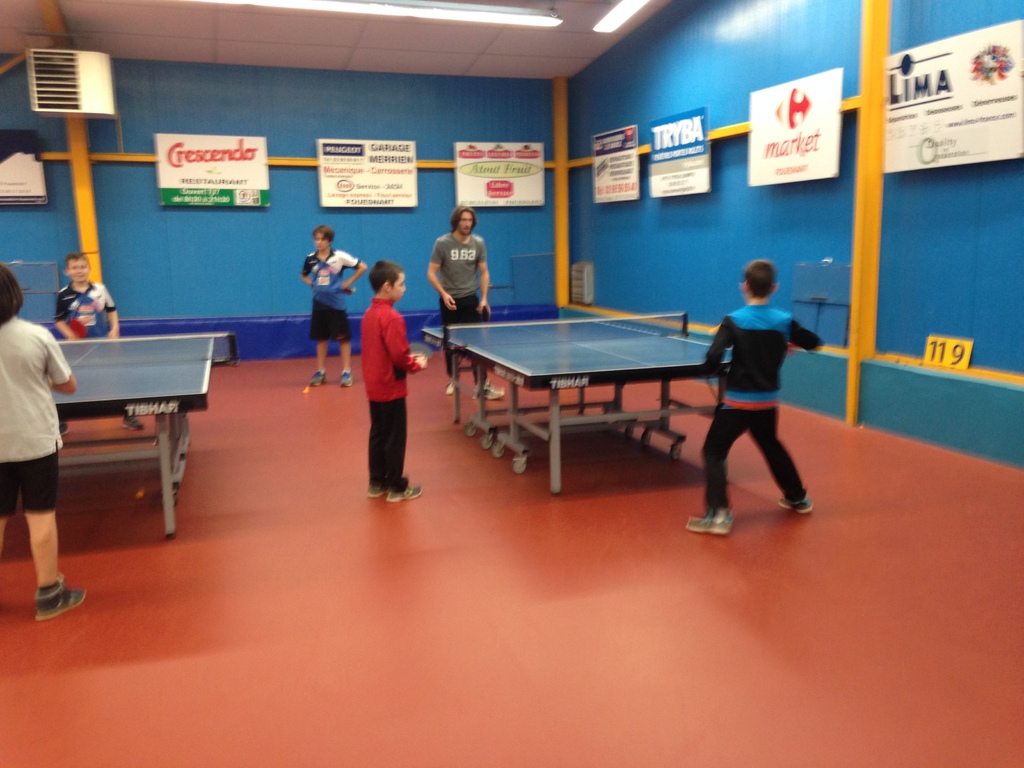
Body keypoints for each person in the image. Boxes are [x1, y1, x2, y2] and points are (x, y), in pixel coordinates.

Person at [687, 259, 821, 536]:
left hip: (738, 403)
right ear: (774, 287)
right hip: (767, 404)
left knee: (713, 451)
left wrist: (707, 371)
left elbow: (713, 357)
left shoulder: (734, 320)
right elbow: (814, 343)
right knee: (771, 445)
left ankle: (719, 514)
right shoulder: (784, 321)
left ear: (744, 286)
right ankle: (797, 498)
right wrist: (788, 342)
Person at [0, 262, 86, 620]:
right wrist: (39, 379)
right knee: (40, 516)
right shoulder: (36, 335)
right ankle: (49, 595)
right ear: (13, 295)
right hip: (34, 440)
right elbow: (68, 385)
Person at [361, 260, 427, 503]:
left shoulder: (369, 314)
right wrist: (416, 364)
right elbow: (399, 356)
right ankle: (396, 487)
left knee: (378, 433)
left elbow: (385, 351)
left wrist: (408, 358)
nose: (404, 288)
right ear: (387, 286)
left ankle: (376, 483)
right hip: (391, 387)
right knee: (395, 438)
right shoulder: (392, 317)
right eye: (401, 284)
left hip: (374, 385)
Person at [54, 251, 142, 430]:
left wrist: (115, 328)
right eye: (74, 268)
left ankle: (128, 416)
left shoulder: (100, 290)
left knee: (116, 378)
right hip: (77, 348)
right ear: (67, 271)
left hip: (102, 343)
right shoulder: (63, 295)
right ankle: (62, 420)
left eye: (82, 267)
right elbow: (59, 320)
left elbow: (112, 309)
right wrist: (69, 334)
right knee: (70, 381)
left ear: (89, 268)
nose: (79, 271)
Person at [427, 205, 504, 400]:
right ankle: (453, 378)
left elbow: (484, 272)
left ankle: (482, 384)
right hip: (449, 300)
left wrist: (484, 298)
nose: (467, 224)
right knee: (450, 344)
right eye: (463, 220)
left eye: (470, 220)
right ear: (456, 222)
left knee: (477, 345)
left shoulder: (478, 243)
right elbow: (431, 273)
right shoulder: (442, 243)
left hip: (470, 299)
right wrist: (444, 294)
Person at [300, 224, 366, 387]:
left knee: (343, 339)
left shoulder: (340, 256)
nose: (318, 242)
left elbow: (362, 267)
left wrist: (348, 282)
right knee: (321, 339)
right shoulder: (310, 259)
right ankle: (321, 372)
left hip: (336, 304)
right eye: (316, 239)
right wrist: (313, 285)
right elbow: (304, 275)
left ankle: (346, 372)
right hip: (319, 304)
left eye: (322, 239)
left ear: (329, 241)